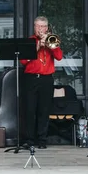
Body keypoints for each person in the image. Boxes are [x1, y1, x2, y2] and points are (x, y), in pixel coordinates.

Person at [20, 16, 63, 149]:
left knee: (44, 110)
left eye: (43, 26)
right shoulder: (29, 41)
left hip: (46, 79)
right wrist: (38, 46)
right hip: (31, 78)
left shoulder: (52, 40)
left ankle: (42, 140)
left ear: (47, 28)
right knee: (29, 110)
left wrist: (50, 46)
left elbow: (59, 57)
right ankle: (29, 140)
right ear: (34, 27)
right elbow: (23, 61)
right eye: (38, 26)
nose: (41, 29)